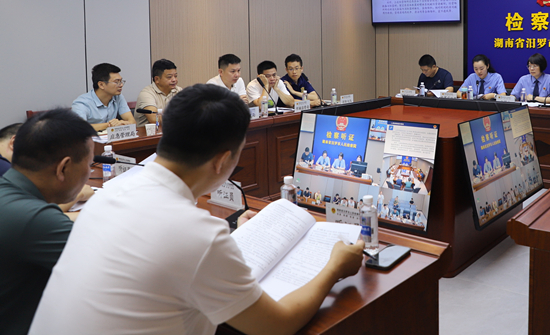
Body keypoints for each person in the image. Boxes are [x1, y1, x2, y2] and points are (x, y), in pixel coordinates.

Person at [30, 85, 364, 335]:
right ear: (222, 161)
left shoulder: (113, 192)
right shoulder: (194, 233)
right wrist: (335, 266)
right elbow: (277, 325)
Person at [0, 109, 96, 335]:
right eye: (90, 164)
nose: (90, 171)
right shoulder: (36, 220)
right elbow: (114, 275)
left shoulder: (7, 191)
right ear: (63, 168)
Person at [72, 63, 135, 131]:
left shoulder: (118, 97)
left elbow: (132, 122)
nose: (121, 85)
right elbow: (79, 127)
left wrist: (122, 123)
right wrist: (109, 125)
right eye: (116, 82)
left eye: (121, 81)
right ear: (101, 85)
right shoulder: (82, 103)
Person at [135, 59, 182, 127]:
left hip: (171, 130)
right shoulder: (146, 94)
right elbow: (154, 119)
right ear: (157, 79)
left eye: (175, 76)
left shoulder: (178, 91)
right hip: (148, 133)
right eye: (169, 77)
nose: (174, 80)